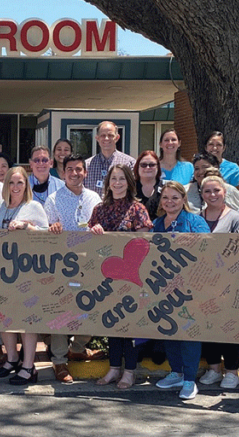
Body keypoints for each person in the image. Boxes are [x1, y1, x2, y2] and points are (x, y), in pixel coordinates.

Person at [0, 167, 48, 385]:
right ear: (5, 185)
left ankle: (28, 367)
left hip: (27, 272)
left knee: (27, 319)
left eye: (20, 183)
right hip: (1, 271)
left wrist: (27, 226)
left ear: (26, 185)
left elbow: (48, 236)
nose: (15, 187)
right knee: (4, 316)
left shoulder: (34, 207)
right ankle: (12, 359)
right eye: (11, 183)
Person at [88, 164, 152, 389]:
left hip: (133, 275)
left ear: (129, 182)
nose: (117, 183)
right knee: (112, 323)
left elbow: (144, 241)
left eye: (121, 179)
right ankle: (114, 368)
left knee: (131, 323)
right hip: (107, 275)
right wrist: (95, 233)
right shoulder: (99, 209)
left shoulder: (138, 209)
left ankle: (130, 371)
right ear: (108, 183)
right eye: (113, 179)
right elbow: (90, 241)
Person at [44, 154, 103, 382]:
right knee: (61, 311)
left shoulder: (95, 198)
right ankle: (59, 361)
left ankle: (77, 347)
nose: (75, 173)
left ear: (85, 172)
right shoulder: (53, 199)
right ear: (63, 173)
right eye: (70, 169)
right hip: (62, 264)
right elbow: (47, 230)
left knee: (90, 308)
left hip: (90, 264)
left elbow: (101, 225)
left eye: (79, 169)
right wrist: (52, 227)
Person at [151, 180, 210, 400]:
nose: (170, 202)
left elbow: (207, 247)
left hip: (191, 288)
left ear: (184, 200)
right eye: (165, 198)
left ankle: (189, 380)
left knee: (189, 333)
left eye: (175, 197)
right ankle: (175, 372)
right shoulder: (157, 224)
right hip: (163, 287)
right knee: (169, 329)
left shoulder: (195, 222)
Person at [197, 174, 239, 390]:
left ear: (224, 192)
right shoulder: (197, 218)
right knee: (208, 327)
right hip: (203, 284)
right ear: (201, 194)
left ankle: (231, 371)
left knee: (230, 327)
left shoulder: (236, 218)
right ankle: (213, 369)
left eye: (216, 190)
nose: (212, 195)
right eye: (207, 191)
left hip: (230, 284)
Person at [84, 121, 136, 193]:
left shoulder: (129, 163)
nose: (106, 138)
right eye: (103, 135)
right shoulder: (87, 165)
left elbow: (133, 190)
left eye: (110, 135)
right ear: (97, 138)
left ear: (117, 137)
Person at [134, 150, 163, 220]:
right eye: (143, 165)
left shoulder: (165, 188)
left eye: (152, 165)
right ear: (137, 167)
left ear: (158, 167)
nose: (147, 168)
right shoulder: (130, 188)